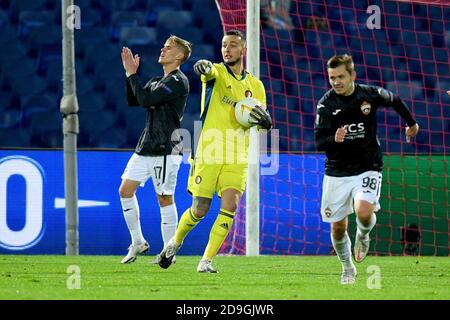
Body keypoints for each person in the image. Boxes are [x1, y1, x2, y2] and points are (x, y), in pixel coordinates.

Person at [157, 30, 272, 273]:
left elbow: (260, 120)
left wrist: (266, 123)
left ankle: (206, 261)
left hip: (238, 154)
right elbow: (206, 70)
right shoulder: (217, 73)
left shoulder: (256, 86)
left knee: (230, 206)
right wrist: (203, 66)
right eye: (223, 45)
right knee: (200, 209)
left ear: (243, 50)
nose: (227, 49)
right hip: (209, 150)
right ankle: (174, 244)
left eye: (232, 45)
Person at [315, 54, 419, 284]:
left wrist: (411, 124)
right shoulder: (325, 104)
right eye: (332, 77)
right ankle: (347, 268)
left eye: (341, 76)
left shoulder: (369, 95)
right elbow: (319, 142)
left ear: (352, 75)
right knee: (338, 228)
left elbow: (394, 99)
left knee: (363, 212)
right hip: (337, 171)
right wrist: (335, 138)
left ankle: (363, 234)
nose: (336, 82)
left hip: (368, 166)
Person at [119, 35, 192, 264]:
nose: (162, 49)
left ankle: (168, 252)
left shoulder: (178, 81)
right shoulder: (155, 81)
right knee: (125, 190)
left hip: (166, 148)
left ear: (179, 56)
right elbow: (134, 100)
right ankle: (138, 241)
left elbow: (145, 100)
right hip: (146, 146)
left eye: (168, 48)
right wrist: (129, 74)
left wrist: (132, 75)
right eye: (163, 46)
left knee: (164, 198)